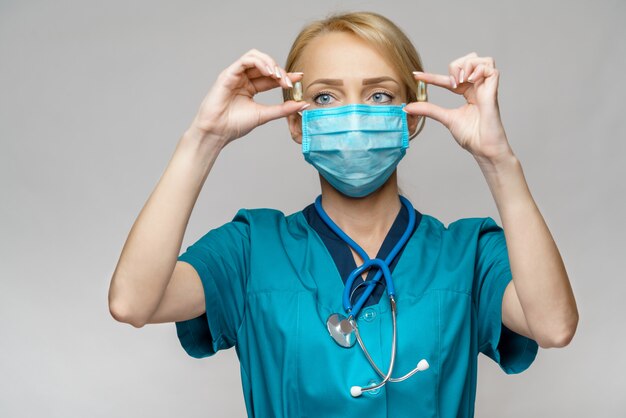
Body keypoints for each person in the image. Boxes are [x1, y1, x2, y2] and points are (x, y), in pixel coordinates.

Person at [108, 10, 579, 418]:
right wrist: (203, 138)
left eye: (378, 96)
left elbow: (553, 326)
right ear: (296, 120)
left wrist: (498, 160)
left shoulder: (468, 254)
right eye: (326, 97)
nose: (353, 117)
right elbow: (133, 302)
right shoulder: (251, 249)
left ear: (412, 116)